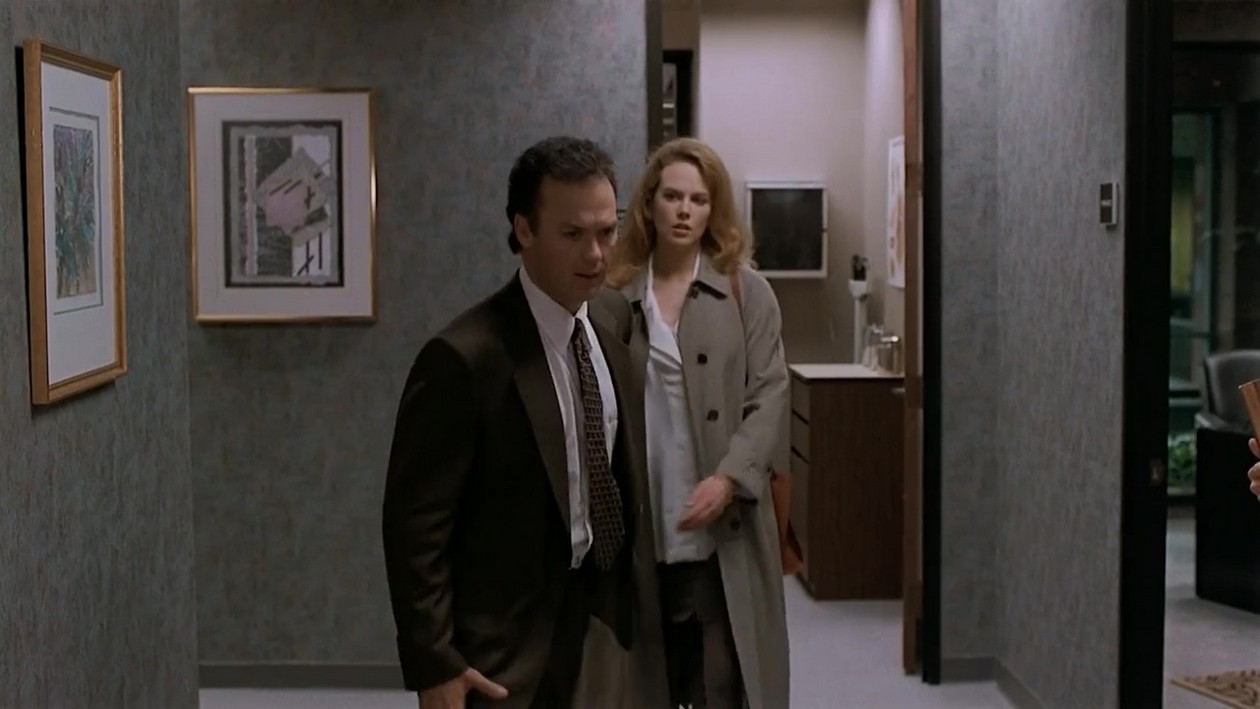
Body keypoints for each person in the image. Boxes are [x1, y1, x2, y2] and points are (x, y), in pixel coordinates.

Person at [381, 136, 667, 709]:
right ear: (524, 230)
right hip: (502, 647)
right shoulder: (465, 357)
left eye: (606, 232)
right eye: (573, 235)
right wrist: (435, 664)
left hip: (600, 622)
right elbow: (416, 527)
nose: (596, 255)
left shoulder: (611, 321)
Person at [606, 137, 790, 709]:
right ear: (649, 203)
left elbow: (770, 393)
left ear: (714, 210)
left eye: (699, 200)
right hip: (647, 516)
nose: (685, 210)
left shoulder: (746, 292)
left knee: (723, 680)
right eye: (672, 197)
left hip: (723, 519)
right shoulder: (615, 295)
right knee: (653, 677)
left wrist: (729, 478)